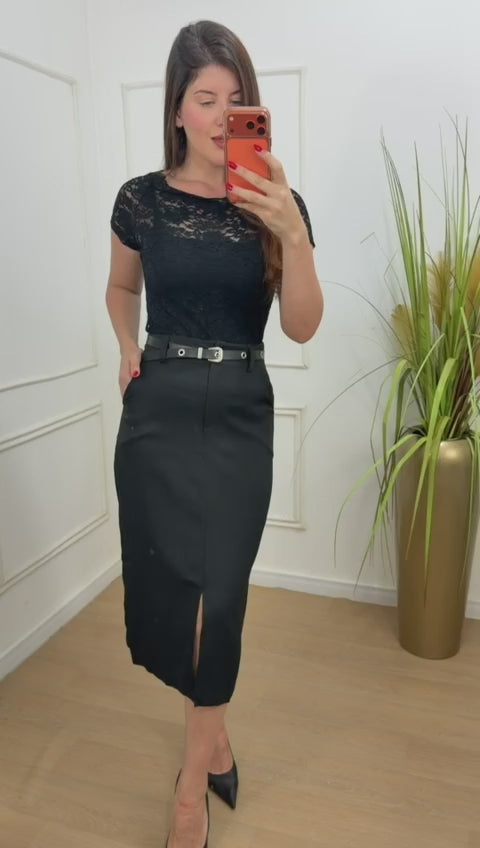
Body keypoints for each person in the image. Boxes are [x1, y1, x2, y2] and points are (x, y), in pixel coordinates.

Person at [106, 18, 323, 848]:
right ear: (178, 109)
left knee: (219, 603)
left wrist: (292, 232)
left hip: (239, 408)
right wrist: (126, 346)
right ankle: (217, 738)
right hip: (159, 405)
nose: (223, 115)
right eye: (206, 98)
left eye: (238, 100)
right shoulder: (140, 199)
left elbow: (301, 326)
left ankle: (189, 792)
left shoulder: (278, 204)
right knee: (173, 594)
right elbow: (121, 289)